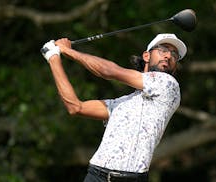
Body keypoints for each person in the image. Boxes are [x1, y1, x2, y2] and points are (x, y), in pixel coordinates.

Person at [41, 33, 187, 182]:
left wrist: (67, 51)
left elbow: (109, 71)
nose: (169, 56)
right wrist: (54, 58)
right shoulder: (121, 104)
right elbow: (75, 107)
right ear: (146, 56)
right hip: (96, 176)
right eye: (163, 50)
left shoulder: (169, 85)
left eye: (174, 54)